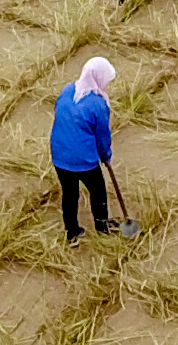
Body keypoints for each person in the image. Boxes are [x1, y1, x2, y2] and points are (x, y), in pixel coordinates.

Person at [50, 57, 116, 243]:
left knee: (69, 194)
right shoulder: (97, 104)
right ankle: (102, 226)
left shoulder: (68, 90)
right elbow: (102, 136)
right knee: (98, 192)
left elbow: (59, 112)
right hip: (84, 160)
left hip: (59, 155)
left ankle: (72, 233)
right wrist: (106, 156)